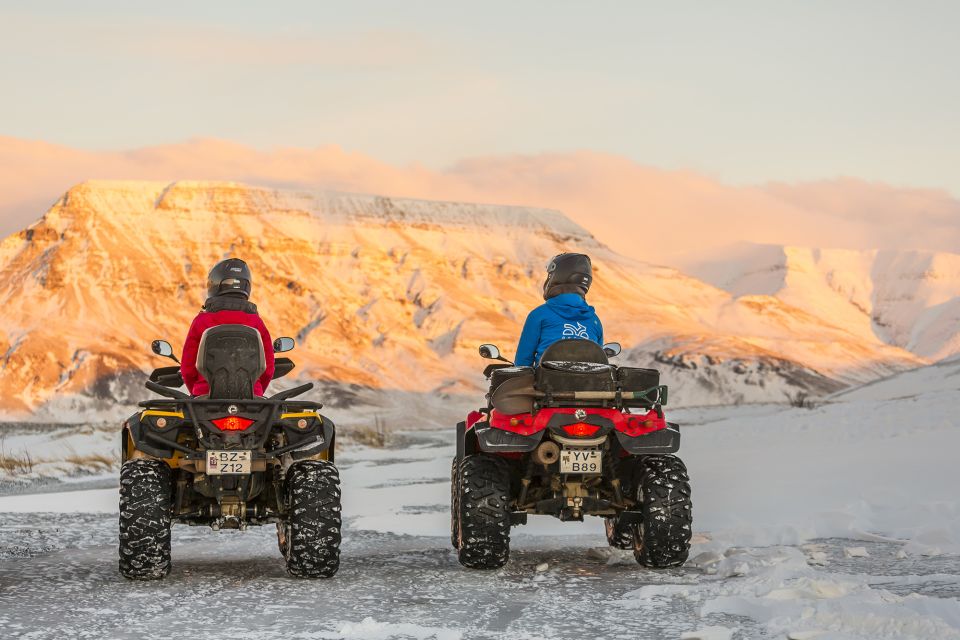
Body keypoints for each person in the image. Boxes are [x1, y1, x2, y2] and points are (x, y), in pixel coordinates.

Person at [181, 258, 275, 396]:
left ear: (214, 284)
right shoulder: (257, 322)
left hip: (205, 400)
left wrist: (198, 393)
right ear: (247, 286)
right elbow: (268, 369)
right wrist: (256, 393)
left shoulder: (202, 321)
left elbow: (187, 368)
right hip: (251, 403)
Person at [514, 253, 603, 367]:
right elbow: (599, 363)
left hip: (545, 384)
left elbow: (522, 363)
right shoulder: (595, 321)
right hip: (587, 384)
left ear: (558, 276)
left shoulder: (539, 315)